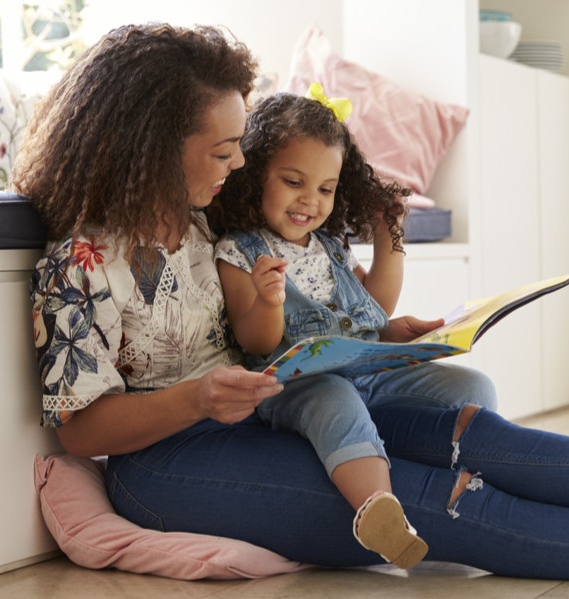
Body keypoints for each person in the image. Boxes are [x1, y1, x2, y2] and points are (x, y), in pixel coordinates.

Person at [13, 21, 569, 585]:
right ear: (153, 148)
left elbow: (296, 286)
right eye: (222, 150)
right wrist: (196, 395)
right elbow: (80, 425)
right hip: (173, 464)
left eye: (239, 148)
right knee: (444, 503)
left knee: (482, 437)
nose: (236, 166)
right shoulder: (77, 263)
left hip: (271, 407)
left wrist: (378, 338)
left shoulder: (209, 227)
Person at [210, 87, 500, 569]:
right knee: (335, 399)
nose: (310, 200)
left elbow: (374, 309)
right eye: (293, 182)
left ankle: (466, 472)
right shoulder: (241, 251)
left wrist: (391, 248)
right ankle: (380, 511)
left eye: (325, 189)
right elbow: (254, 342)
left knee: (473, 385)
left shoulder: (330, 248)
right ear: (257, 174)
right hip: (296, 386)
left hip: (371, 372)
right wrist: (267, 300)